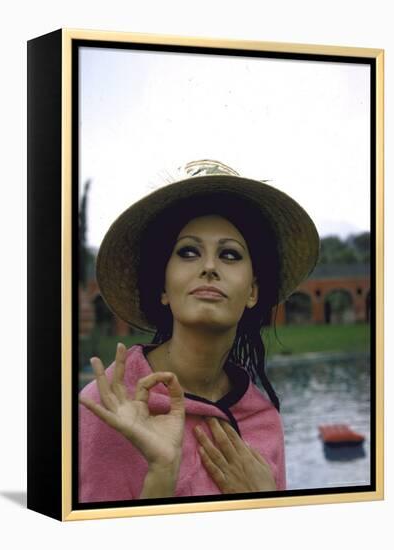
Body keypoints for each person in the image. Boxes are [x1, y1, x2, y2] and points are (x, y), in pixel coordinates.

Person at [79, 159, 319, 502]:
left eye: (230, 255)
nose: (209, 267)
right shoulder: (107, 407)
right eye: (188, 252)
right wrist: (162, 473)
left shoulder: (264, 421)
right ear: (163, 286)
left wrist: (266, 502)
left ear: (252, 292)